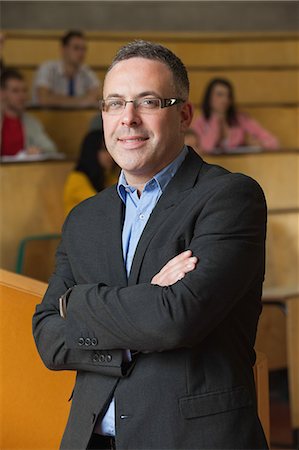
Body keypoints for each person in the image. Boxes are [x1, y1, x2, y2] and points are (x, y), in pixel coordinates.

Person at [33, 40, 268, 450]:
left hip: (190, 439)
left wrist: (77, 303)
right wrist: (146, 302)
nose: (128, 118)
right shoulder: (83, 218)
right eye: (114, 103)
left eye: (148, 101)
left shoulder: (230, 197)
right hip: (90, 440)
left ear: (184, 115)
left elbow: (176, 318)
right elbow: (49, 339)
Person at [192, 77, 279, 153]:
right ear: (209, 98)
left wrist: (258, 143)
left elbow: (273, 143)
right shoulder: (200, 123)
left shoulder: (241, 119)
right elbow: (207, 149)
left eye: (228, 96)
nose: (225, 100)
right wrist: (216, 120)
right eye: (219, 95)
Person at [32, 30, 99, 108]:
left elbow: (96, 97)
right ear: (63, 49)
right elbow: (43, 99)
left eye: (84, 49)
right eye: (76, 48)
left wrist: (55, 99)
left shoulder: (87, 71)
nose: (81, 53)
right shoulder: (47, 68)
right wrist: (80, 101)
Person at [0, 69, 57, 157]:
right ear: (2, 93)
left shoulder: (32, 123)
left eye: (24, 91)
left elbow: (51, 149)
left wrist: (40, 151)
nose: (22, 96)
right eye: (15, 91)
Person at [64, 129, 118, 216]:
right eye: (104, 149)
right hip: (80, 228)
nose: (109, 154)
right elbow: (100, 206)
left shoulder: (108, 176)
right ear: (91, 151)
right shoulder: (77, 178)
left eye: (110, 148)